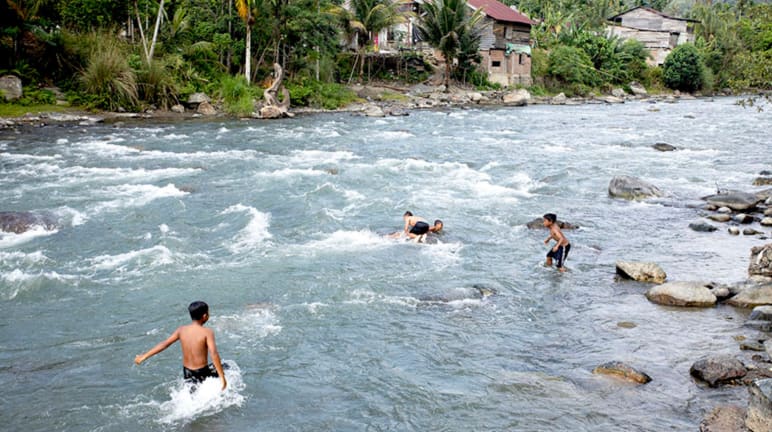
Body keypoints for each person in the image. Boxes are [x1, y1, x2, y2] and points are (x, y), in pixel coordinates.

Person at [134, 301, 227, 390]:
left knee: (192, 394)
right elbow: (214, 354)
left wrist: (144, 356)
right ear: (205, 316)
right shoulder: (207, 332)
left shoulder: (181, 330)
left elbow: (164, 344)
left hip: (187, 371)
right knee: (226, 366)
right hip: (202, 372)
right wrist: (222, 378)